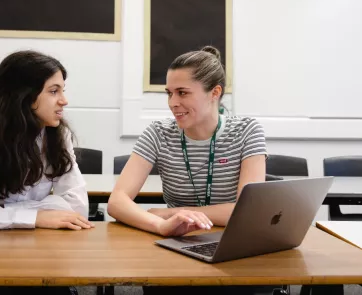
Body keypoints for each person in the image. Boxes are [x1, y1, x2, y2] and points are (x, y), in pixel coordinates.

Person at [107, 46, 267, 294]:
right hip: (177, 243)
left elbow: (247, 211)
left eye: (182, 93)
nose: (173, 103)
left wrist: (173, 213)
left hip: (233, 248)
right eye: (169, 93)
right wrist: (161, 225)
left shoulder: (247, 131)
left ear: (215, 93)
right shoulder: (158, 133)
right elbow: (117, 202)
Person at [0, 50, 93, 295]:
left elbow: (76, 208)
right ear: (24, 96)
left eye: (63, 90)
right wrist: (40, 215)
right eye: (54, 91)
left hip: (40, 251)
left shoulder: (57, 134)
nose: (64, 100)